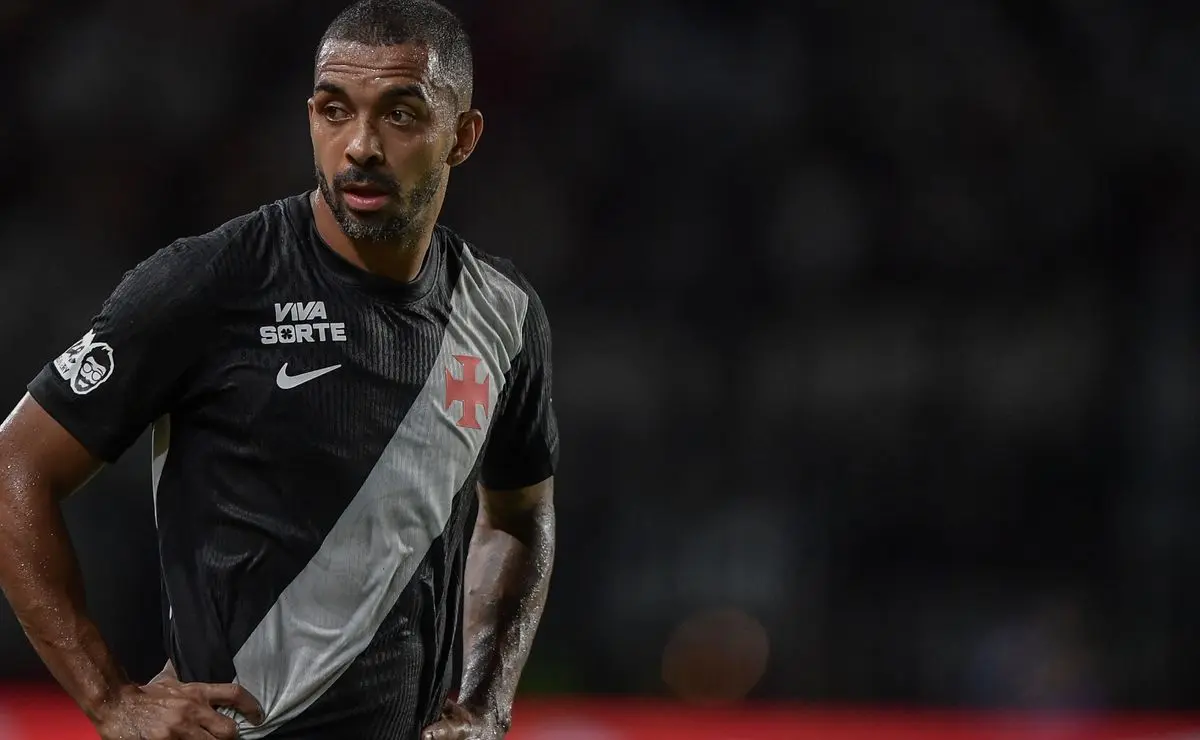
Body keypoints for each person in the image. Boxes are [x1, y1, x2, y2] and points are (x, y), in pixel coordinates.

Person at [0, 0, 559, 737]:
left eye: (400, 115)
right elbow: (13, 466)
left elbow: (519, 517)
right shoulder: (211, 282)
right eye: (335, 110)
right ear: (310, 119)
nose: (360, 146)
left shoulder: (504, 314)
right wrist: (111, 700)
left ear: (462, 137)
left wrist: (487, 702)